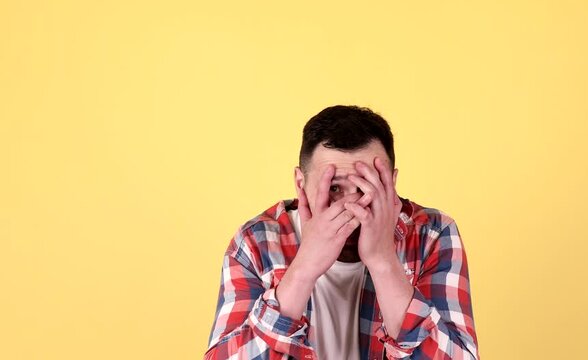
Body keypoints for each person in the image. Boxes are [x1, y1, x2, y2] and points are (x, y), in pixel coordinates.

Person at [203, 105, 479, 360]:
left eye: (366, 187)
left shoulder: (431, 234)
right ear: (301, 185)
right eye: (334, 188)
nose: (352, 207)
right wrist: (303, 270)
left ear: (391, 184)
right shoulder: (256, 242)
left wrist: (383, 261)